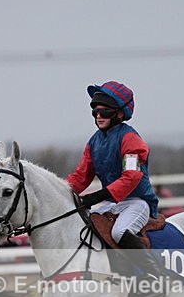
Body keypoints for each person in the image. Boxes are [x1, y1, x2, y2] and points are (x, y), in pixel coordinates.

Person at [67, 81, 166, 281]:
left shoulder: (130, 139)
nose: (98, 116)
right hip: (114, 203)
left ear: (120, 114)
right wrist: (60, 191)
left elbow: (132, 176)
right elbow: (81, 176)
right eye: (95, 112)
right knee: (88, 223)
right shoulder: (94, 142)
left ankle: (155, 274)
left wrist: (98, 196)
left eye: (104, 112)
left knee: (120, 232)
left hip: (138, 202)